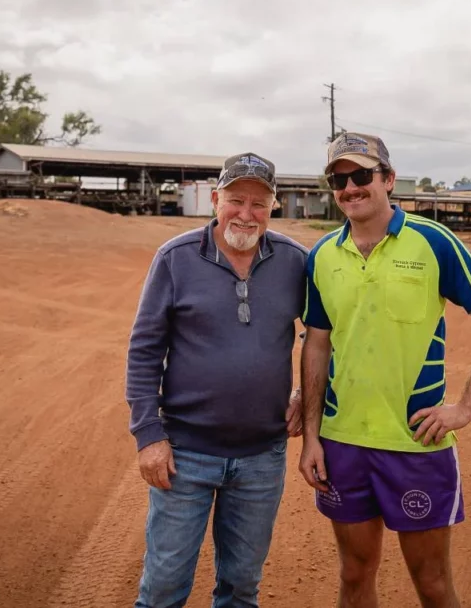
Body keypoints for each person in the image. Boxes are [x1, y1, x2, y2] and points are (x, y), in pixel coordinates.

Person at [298, 133, 471, 608]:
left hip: (415, 444)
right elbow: (316, 345)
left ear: (388, 180)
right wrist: (312, 436)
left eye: (361, 176)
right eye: (339, 179)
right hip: (342, 444)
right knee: (354, 575)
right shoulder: (321, 256)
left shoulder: (433, 241)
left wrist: (465, 408)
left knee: (433, 583)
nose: (351, 187)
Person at [125, 152, 308, 608]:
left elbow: (327, 337)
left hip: (262, 457)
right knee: (164, 586)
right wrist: (149, 436)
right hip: (185, 454)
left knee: (241, 588)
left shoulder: (296, 262)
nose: (246, 214)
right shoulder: (175, 258)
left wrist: (308, 393)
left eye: (259, 204)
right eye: (236, 200)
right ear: (214, 200)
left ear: (274, 207)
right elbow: (145, 349)